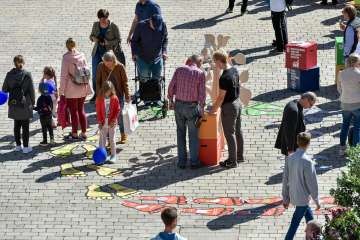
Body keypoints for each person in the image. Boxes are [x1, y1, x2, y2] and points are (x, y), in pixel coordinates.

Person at [168, 54, 206, 169]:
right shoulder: (200, 73)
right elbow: (202, 94)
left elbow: (171, 87)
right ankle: (194, 161)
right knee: (193, 136)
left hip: (178, 106)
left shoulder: (179, 69)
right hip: (192, 108)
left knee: (180, 134)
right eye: (202, 62)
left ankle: (182, 161)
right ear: (199, 61)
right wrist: (202, 110)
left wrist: (171, 101)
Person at [209, 50, 245, 168]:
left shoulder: (224, 77)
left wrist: (212, 110)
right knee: (238, 131)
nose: (216, 65)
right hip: (238, 103)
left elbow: (220, 98)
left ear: (219, 60)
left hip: (229, 107)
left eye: (215, 62)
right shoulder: (234, 70)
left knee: (229, 134)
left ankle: (232, 160)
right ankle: (240, 155)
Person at [282, 132, 321, 240]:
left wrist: (285, 198)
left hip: (294, 195)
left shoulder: (290, 158)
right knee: (295, 222)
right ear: (309, 144)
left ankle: (316, 236)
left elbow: (285, 178)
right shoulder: (308, 162)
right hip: (303, 198)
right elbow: (312, 183)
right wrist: (317, 200)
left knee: (310, 219)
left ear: (297, 142)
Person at [59, 38, 94, 140]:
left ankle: (74, 134)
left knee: (74, 112)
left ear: (67, 47)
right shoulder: (82, 56)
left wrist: (61, 91)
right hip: (82, 87)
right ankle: (84, 134)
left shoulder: (66, 59)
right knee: (81, 110)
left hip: (71, 89)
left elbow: (64, 77)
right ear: (76, 45)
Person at [131, 14, 168, 108]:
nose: (156, 29)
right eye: (154, 26)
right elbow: (134, 40)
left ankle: (157, 99)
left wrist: (164, 51)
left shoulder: (162, 25)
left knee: (158, 79)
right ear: (150, 21)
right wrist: (134, 53)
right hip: (143, 58)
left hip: (157, 57)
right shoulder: (141, 25)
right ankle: (146, 100)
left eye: (157, 27)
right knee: (144, 79)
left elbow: (165, 39)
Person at [2, 55, 35, 154]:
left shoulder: (9, 75)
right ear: (23, 63)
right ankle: (26, 147)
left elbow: (4, 89)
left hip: (14, 104)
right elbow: (32, 91)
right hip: (25, 104)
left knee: (16, 125)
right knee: (25, 126)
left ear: (14, 64)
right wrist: (33, 103)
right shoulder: (28, 75)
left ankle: (17, 146)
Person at [96, 51, 130, 144]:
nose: (107, 66)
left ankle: (123, 133)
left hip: (118, 96)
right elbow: (98, 81)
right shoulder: (101, 66)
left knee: (118, 117)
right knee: (107, 117)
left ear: (114, 61)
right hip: (105, 96)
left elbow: (125, 82)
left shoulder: (120, 67)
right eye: (106, 64)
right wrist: (99, 94)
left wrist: (127, 96)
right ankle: (109, 141)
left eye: (109, 64)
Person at [89, 9, 122, 103]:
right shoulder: (96, 25)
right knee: (95, 75)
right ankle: (96, 95)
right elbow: (91, 36)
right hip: (97, 53)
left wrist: (108, 43)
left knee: (107, 74)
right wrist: (93, 38)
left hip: (108, 55)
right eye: (100, 19)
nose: (102, 21)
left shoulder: (113, 26)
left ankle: (108, 93)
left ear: (107, 18)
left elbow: (118, 40)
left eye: (104, 19)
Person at [275, 92, 317, 161]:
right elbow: (289, 131)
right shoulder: (294, 111)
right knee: (291, 168)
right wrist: (291, 149)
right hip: (293, 147)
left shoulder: (293, 102)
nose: (310, 107)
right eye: (310, 104)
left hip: (293, 145)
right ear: (305, 99)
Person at [337, 53, 360, 155]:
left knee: (345, 125)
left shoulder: (341, 73)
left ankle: (342, 148)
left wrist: (345, 95)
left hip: (345, 103)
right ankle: (355, 152)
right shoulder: (358, 74)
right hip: (357, 104)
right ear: (355, 63)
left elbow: (339, 89)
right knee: (357, 128)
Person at [96, 81, 120, 163]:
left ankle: (113, 155)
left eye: (110, 92)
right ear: (103, 91)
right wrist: (100, 122)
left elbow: (117, 110)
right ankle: (102, 155)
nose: (108, 94)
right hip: (103, 124)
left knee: (112, 139)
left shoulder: (114, 98)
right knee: (102, 141)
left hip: (111, 124)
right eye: (107, 92)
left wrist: (113, 120)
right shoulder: (100, 99)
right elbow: (98, 112)